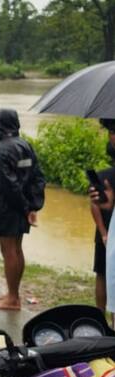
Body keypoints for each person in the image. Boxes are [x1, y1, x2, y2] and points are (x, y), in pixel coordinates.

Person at [0, 109, 45, 311]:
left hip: (6, 207)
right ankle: (13, 294)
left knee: (9, 251)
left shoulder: (1, 150)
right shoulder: (25, 145)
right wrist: (32, 206)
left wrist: (24, 205)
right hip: (22, 207)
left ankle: (12, 298)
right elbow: (38, 177)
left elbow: (9, 185)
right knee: (17, 250)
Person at [91, 119, 115, 313]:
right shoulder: (104, 176)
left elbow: (95, 206)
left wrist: (103, 233)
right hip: (108, 233)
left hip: (106, 233)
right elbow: (97, 205)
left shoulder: (103, 175)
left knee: (103, 274)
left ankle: (101, 316)